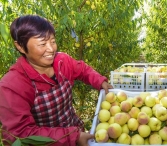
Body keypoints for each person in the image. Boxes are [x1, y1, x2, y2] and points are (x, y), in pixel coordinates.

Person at [0, 15, 113, 146]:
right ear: (20, 46)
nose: (51, 49)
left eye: (53, 41)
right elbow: (21, 134)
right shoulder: (12, 85)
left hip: (73, 130)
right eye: (42, 43)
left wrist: (100, 81)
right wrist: (72, 137)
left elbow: (82, 70)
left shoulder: (62, 62)